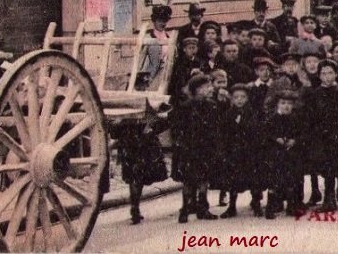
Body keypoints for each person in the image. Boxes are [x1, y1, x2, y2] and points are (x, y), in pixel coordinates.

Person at [303, 59, 338, 212]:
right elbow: (310, 118)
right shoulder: (315, 95)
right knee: (328, 169)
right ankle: (329, 199)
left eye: (330, 73)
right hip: (322, 137)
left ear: (336, 74)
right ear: (319, 75)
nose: (327, 76)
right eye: (323, 73)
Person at [171, 73, 220, 223]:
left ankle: (202, 207)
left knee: (204, 179)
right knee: (189, 180)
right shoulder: (186, 107)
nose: (210, 89)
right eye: (207, 87)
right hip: (190, 147)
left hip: (205, 147)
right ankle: (185, 208)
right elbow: (178, 127)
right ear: (197, 89)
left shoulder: (212, 105)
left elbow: (214, 127)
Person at [110, 111, 168, 225]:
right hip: (141, 142)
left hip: (129, 141)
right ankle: (135, 207)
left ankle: (135, 206)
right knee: (138, 177)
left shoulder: (125, 110)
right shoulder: (146, 107)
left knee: (134, 177)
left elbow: (114, 131)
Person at [218, 84, 260, 218]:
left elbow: (256, 130)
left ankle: (256, 203)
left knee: (254, 179)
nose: (239, 100)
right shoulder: (228, 114)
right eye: (236, 97)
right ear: (232, 99)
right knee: (232, 179)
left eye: (243, 97)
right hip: (234, 151)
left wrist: (241, 124)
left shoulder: (253, 112)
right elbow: (224, 133)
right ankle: (232, 206)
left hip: (250, 151)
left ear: (247, 98)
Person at [263, 90, 304, 219]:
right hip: (277, 154)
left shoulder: (296, 119)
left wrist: (294, 140)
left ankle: (292, 204)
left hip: (292, 153)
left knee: (293, 178)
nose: (286, 106)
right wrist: (276, 139)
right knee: (275, 180)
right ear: (277, 105)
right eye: (283, 103)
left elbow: (301, 133)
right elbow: (266, 134)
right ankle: (272, 205)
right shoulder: (272, 119)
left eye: (289, 103)